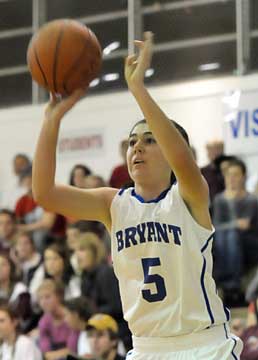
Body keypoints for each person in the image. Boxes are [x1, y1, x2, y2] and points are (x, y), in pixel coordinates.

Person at [32, 32, 242, 359]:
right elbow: (44, 192)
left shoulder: (189, 195)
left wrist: (138, 89)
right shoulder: (112, 204)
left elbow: (183, 159)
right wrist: (51, 121)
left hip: (203, 346)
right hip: (145, 347)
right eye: (132, 141)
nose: (137, 147)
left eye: (149, 139)